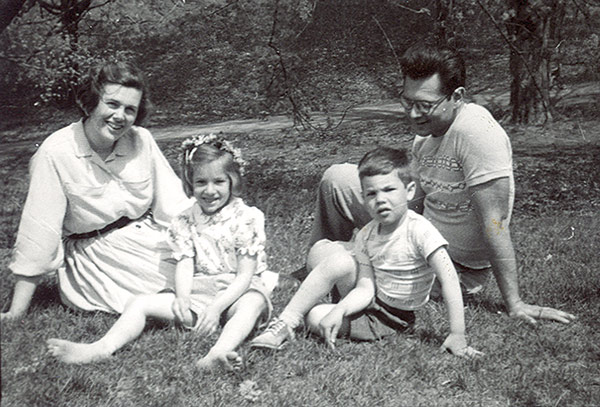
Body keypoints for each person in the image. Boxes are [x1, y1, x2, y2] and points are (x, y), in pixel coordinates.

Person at [299, 42, 575, 325]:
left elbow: (495, 222)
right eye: (408, 101)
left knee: (328, 256)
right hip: (416, 235)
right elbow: (415, 201)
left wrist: (515, 303)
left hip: (450, 265)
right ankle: (324, 269)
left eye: (425, 105)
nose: (414, 114)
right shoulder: (426, 134)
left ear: (457, 96)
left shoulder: (477, 133)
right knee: (337, 178)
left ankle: (335, 277)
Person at [48, 134, 278, 370]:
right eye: (200, 182)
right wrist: (183, 297)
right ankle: (101, 347)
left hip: (239, 290)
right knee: (139, 302)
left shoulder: (246, 218)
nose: (209, 191)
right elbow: (185, 263)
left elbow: (245, 276)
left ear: (232, 182)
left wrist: (217, 307)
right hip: (203, 289)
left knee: (252, 304)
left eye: (219, 182)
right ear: (190, 183)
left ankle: (216, 354)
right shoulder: (185, 220)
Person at [1, 60, 193, 320]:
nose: (120, 117)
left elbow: (174, 205)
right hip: (97, 256)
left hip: (148, 237)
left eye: (130, 109)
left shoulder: (141, 140)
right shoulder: (56, 152)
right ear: (91, 102)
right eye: (112, 104)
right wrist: (17, 311)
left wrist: (215, 230)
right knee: (184, 296)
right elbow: (38, 234)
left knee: (211, 268)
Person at [251, 147, 482, 358]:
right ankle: (286, 323)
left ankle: (299, 318)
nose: (380, 200)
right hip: (371, 299)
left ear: (410, 191)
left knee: (315, 316)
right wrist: (341, 309)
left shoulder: (420, 230)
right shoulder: (367, 234)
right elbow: (365, 286)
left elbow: (449, 278)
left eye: (389, 190)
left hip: (391, 319)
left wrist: (457, 333)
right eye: (371, 194)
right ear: (363, 198)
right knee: (334, 269)